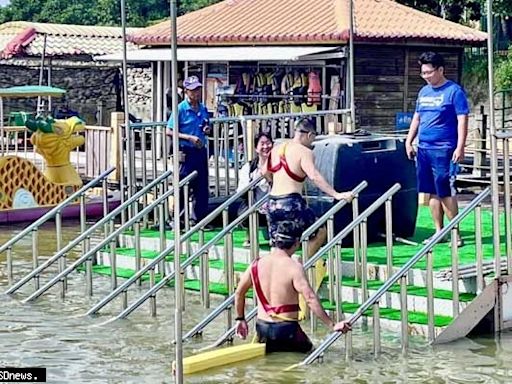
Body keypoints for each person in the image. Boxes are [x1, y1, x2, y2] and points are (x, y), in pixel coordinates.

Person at [234, 220, 351, 353]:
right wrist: (332, 324)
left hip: (262, 327)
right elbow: (310, 298)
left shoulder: (256, 264)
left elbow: (239, 293)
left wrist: (240, 319)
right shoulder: (294, 267)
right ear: (296, 243)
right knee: (316, 358)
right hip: (287, 329)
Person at [263, 118, 353, 256]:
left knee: (277, 243)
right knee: (320, 230)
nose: (312, 144)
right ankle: (301, 264)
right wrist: (336, 194)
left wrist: (273, 183)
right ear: (309, 135)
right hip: (291, 203)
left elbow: (264, 172)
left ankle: (276, 272)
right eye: (313, 140)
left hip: (272, 203)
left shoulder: (276, 149)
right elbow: (314, 175)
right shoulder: (304, 152)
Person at [405, 52, 469, 246]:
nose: (426, 76)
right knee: (431, 191)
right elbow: (417, 117)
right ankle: (439, 231)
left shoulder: (454, 91)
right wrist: (409, 141)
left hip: (445, 149)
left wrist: (460, 146)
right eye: (423, 73)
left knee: (445, 191)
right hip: (424, 148)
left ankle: (455, 233)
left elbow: (462, 119)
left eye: (429, 72)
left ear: (441, 70)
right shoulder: (423, 92)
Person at [166, 75, 210, 225]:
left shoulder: (203, 107)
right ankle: (179, 219)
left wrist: (206, 129)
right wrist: (189, 138)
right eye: (192, 91)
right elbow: (169, 131)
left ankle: (200, 218)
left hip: (201, 151)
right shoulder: (180, 109)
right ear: (186, 91)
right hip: (186, 151)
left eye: (198, 90)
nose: (196, 93)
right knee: (184, 184)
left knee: (202, 186)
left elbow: (205, 123)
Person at [236, 131, 273, 247]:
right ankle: (250, 236)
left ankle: (275, 236)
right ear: (256, 148)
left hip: (273, 202)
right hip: (255, 203)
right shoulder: (249, 167)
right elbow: (241, 191)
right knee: (246, 209)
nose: (266, 147)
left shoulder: (279, 165)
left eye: (268, 143)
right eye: (262, 144)